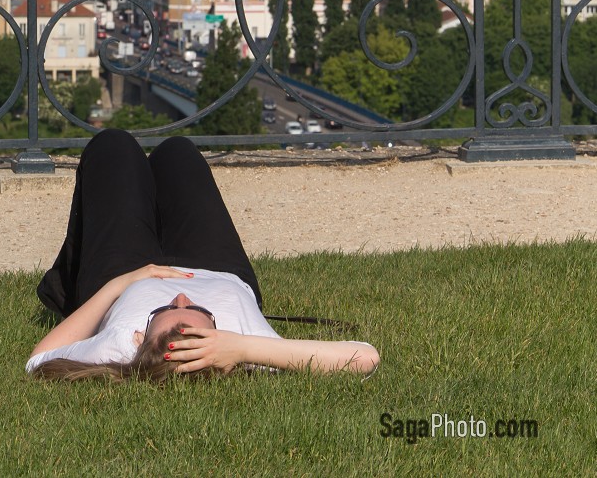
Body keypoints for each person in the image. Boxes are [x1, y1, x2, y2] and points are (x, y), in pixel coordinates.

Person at [28, 129, 378, 381]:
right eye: (196, 310)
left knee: (113, 146)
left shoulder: (123, 344)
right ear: (218, 331)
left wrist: (121, 284)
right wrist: (244, 349)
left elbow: (38, 361)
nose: (181, 297)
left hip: (124, 274)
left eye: (163, 311)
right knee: (177, 153)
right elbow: (365, 356)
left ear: (140, 338)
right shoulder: (241, 343)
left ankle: (63, 290)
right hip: (218, 269)